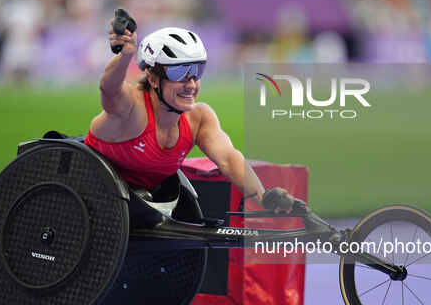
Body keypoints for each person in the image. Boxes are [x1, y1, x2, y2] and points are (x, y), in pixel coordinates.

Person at [84, 18, 295, 213]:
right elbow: (108, 88)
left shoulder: (199, 118)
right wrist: (125, 55)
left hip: (135, 206)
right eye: (179, 74)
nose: (191, 84)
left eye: (197, 71)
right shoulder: (131, 106)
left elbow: (229, 160)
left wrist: (264, 198)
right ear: (152, 77)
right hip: (86, 203)